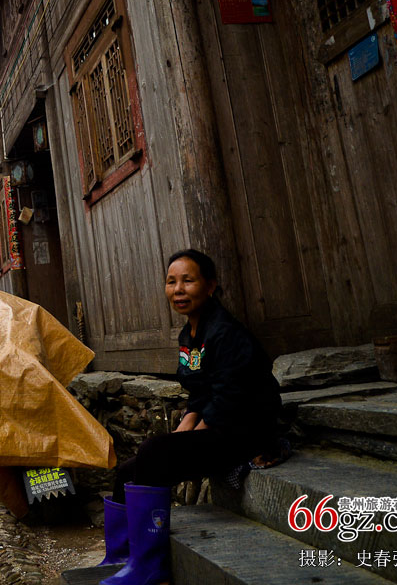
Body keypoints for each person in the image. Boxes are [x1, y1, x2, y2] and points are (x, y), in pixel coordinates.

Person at [98, 249, 282, 585]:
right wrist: (187, 425)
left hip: (244, 429)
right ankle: (122, 555)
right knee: (128, 469)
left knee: (155, 452)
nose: (178, 289)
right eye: (171, 282)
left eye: (188, 280)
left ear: (210, 286)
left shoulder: (226, 332)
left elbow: (230, 396)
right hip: (217, 422)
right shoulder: (189, 335)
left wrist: (191, 436)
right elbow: (199, 391)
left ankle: (150, 566)